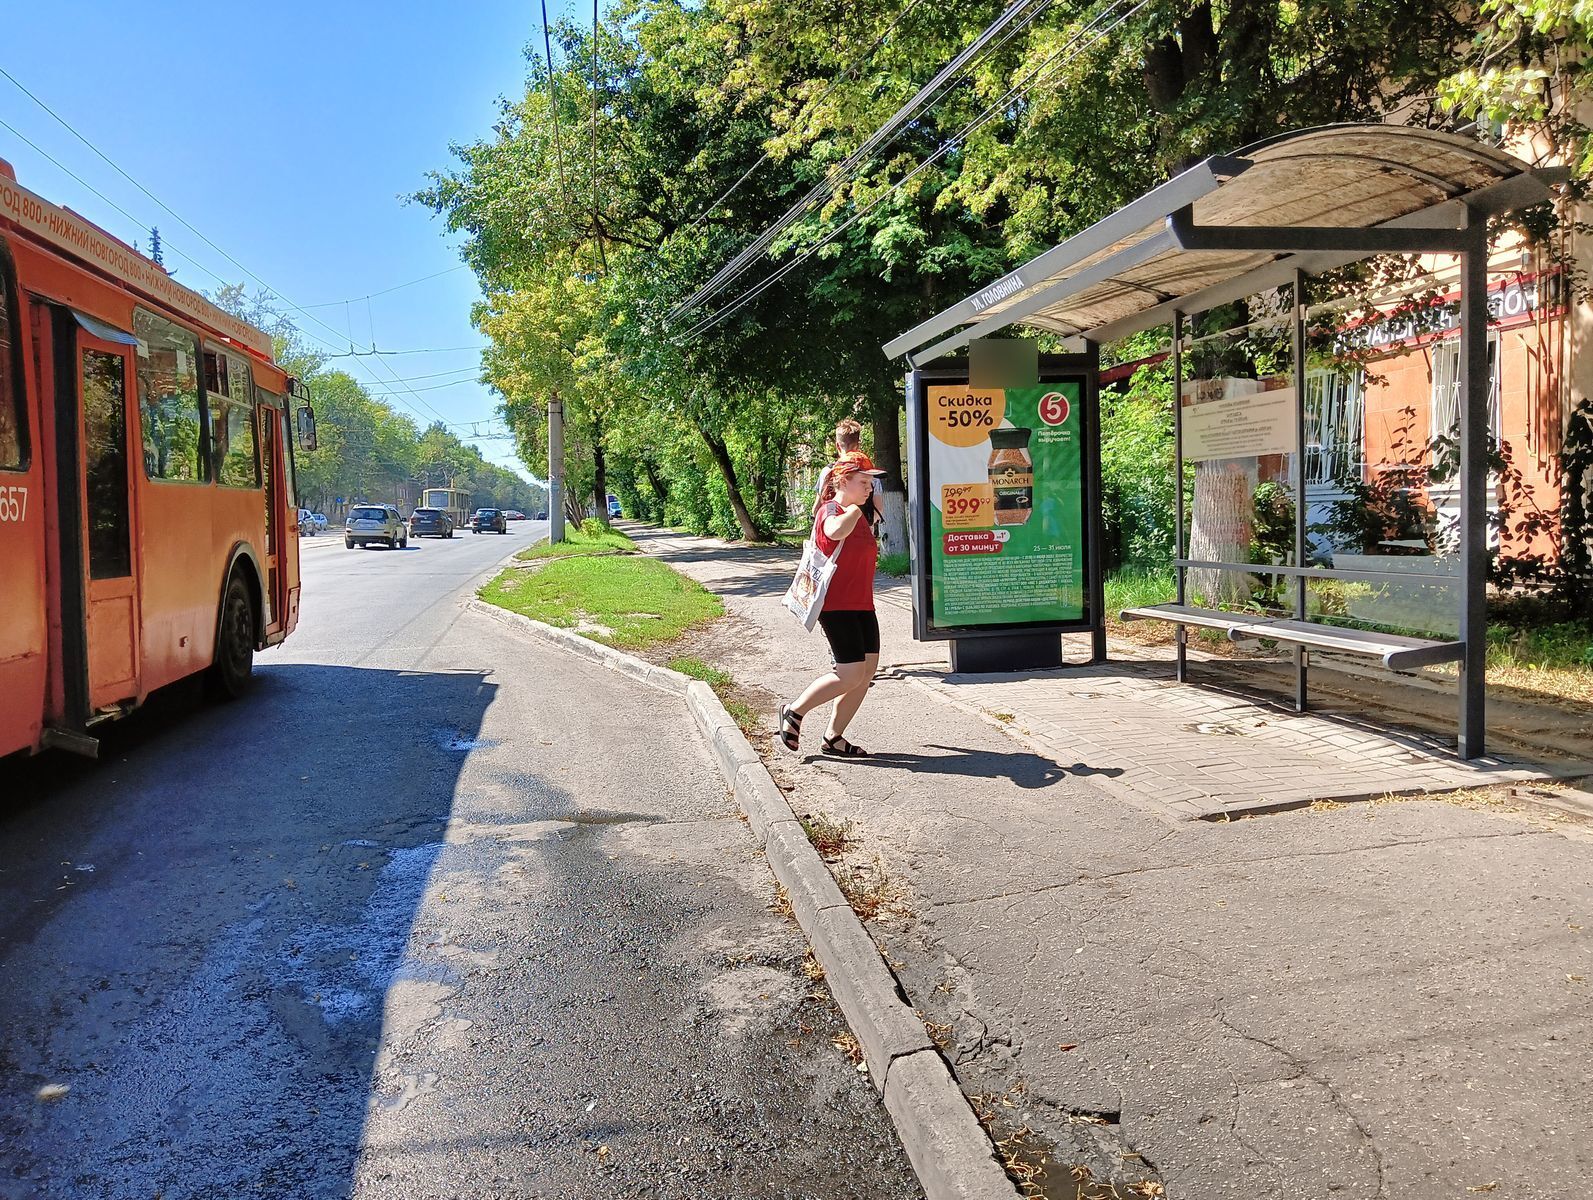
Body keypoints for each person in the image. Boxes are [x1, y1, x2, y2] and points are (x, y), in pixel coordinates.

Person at [780, 457, 884, 757]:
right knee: (850, 673)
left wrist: (860, 510)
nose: (869, 488)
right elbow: (835, 531)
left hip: (863, 605)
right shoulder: (832, 510)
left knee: (865, 674)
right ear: (842, 482)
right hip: (837, 606)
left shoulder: (860, 515)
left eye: (871, 483)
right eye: (863, 482)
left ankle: (833, 738)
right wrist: (853, 508)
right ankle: (794, 711)